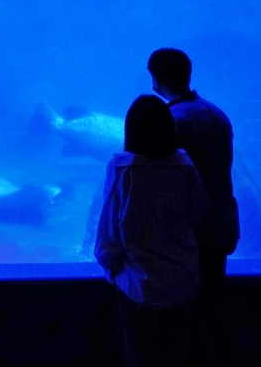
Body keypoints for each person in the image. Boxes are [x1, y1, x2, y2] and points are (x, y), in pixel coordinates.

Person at [96, 94, 211, 367]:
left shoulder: (124, 169)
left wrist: (111, 268)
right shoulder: (184, 166)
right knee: (178, 356)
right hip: (183, 284)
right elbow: (200, 213)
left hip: (139, 287)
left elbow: (109, 229)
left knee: (139, 355)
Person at [148, 47, 239, 366]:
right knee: (213, 312)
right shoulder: (216, 113)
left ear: (156, 81)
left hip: (190, 234)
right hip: (222, 226)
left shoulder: (172, 121)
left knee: (185, 321)